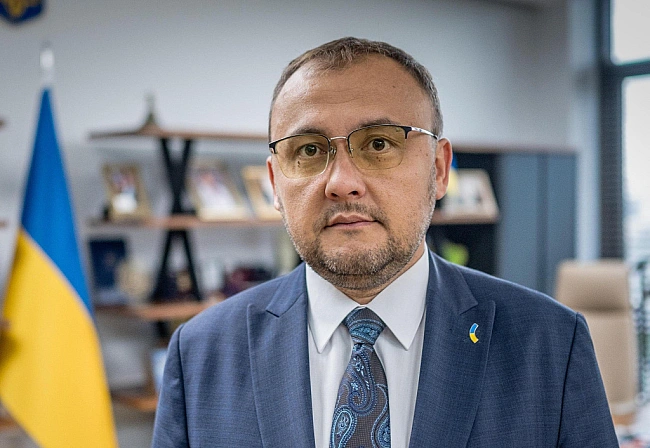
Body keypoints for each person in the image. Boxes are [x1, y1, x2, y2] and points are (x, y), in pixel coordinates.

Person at [152, 37, 618, 447]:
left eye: (378, 144)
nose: (342, 183)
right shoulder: (201, 354)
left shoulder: (550, 345)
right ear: (275, 183)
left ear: (439, 169)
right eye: (309, 150)